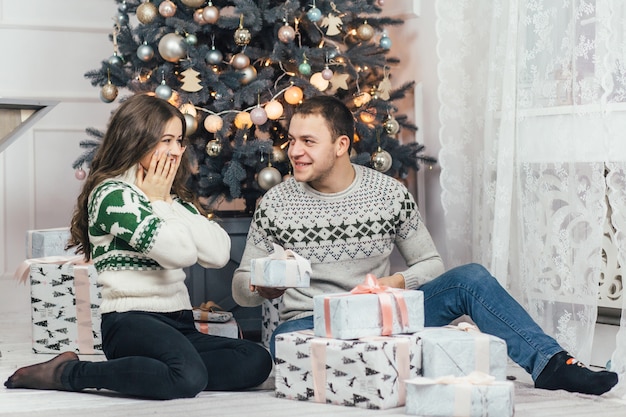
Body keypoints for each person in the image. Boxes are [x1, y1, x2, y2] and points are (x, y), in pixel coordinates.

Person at [232, 95, 618, 396]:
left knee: (471, 278)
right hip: (311, 324)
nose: (294, 151)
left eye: (308, 141)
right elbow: (242, 283)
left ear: (340, 144)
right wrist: (259, 286)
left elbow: (431, 265)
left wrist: (395, 284)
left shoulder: (387, 194)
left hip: (379, 313)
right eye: (292, 140)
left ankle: (551, 363)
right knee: (286, 342)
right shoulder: (277, 203)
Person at [5, 94, 272, 399]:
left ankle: (155, 371)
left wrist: (165, 201)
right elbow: (181, 254)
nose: (176, 151)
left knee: (255, 360)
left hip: (179, 321)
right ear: (137, 140)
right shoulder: (112, 195)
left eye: (179, 140)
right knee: (187, 377)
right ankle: (67, 373)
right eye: (166, 140)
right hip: (130, 321)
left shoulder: (170, 200)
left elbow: (218, 254)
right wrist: (158, 201)